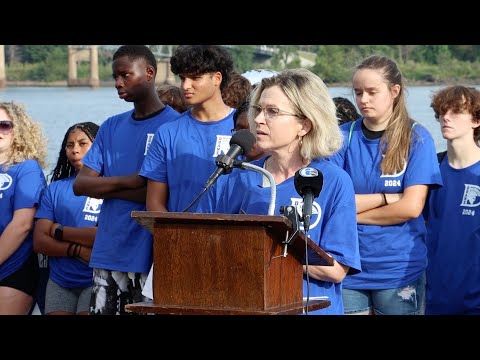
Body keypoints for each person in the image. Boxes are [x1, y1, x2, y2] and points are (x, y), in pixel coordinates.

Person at [197, 69, 361, 315]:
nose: (259, 119)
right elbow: (203, 244)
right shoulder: (236, 177)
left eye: (272, 112)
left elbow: (336, 269)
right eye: (259, 110)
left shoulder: (334, 181)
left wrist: (266, 251)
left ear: (304, 124)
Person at [329, 54, 443, 315]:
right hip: (348, 268)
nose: (363, 100)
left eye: (371, 92)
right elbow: (333, 204)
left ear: (394, 91)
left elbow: (411, 209)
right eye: (358, 92)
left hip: (398, 272)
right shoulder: (341, 138)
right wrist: (387, 198)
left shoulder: (418, 139)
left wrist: (352, 214)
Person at [73, 45, 180, 315]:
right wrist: (134, 182)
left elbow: (163, 196)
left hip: (152, 256)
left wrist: (107, 187)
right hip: (109, 251)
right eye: (115, 77)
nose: (118, 83)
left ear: (149, 73)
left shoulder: (175, 126)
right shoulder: (111, 125)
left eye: (125, 75)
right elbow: (81, 185)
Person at [139, 44, 235, 299]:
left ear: (217, 78)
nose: (185, 86)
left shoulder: (245, 131)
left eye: (195, 77)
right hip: (179, 253)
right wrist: (184, 242)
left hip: (235, 252)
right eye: (182, 77)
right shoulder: (168, 133)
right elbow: (154, 204)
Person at [33, 122, 101, 315]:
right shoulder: (55, 189)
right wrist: (77, 249)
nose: (75, 150)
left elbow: (102, 237)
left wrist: (58, 231)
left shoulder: (107, 187)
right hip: (59, 282)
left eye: (82, 143)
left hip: (96, 280)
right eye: (70, 145)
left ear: (98, 146)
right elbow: (39, 241)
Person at [424, 85, 480, 315]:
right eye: (442, 111)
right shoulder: (429, 169)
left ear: (476, 120)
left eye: (456, 112)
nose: (446, 117)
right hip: (433, 298)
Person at [0, 101, 47, 315]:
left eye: (5, 125)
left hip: (13, 268)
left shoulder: (27, 169)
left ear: (17, 130)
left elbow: (22, 224)